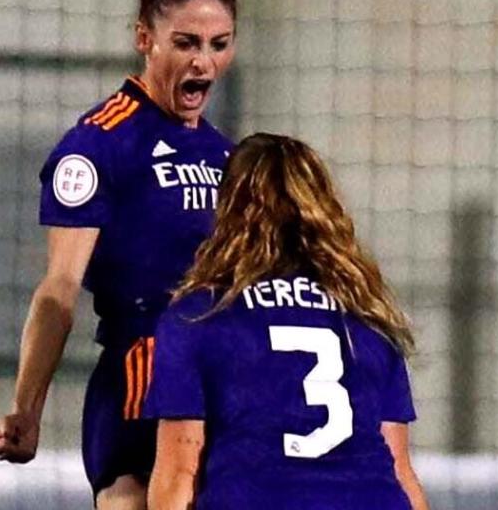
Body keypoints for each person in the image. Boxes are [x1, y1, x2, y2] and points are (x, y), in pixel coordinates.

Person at [0, 0, 245, 507]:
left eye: (218, 44)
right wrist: (27, 407)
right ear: (144, 39)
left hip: (226, 381)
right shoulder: (100, 145)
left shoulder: (230, 158)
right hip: (143, 372)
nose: (203, 61)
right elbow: (59, 288)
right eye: (186, 42)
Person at [143, 133, 430, 510]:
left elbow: (180, 473)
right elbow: (399, 469)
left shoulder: (199, 315)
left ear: (229, 207)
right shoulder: (365, 315)